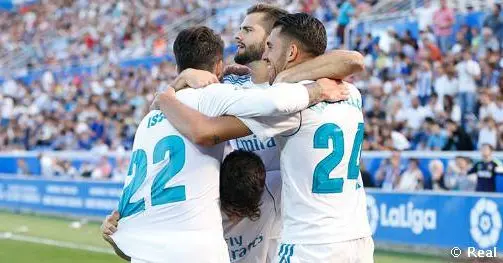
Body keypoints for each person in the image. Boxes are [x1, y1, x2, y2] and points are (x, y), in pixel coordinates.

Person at [107, 26, 348, 263]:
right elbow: (274, 103)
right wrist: (317, 90)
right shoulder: (210, 96)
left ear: (178, 65)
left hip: (146, 249)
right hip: (195, 248)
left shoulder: (150, 119)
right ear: (219, 66)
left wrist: (169, 89)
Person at [156, 13, 373, 262]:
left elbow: (205, 132)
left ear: (291, 52)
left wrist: (167, 96)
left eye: (270, 47)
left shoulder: (291, 105)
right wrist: (281, 78)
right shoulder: (351, 92)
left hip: (311, 242)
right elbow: (350, 60)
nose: (266, 55)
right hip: (358, 237)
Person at [103, 150, 283, 263]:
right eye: (231, 211)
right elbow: (148, 256)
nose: (235, 218)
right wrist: (114, 240)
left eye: (244, 212)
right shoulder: (193, 207)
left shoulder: (275, 189)